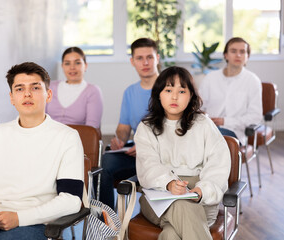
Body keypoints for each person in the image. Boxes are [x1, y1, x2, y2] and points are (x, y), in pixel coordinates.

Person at [0, 62, 84, 240]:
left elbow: (71, 200)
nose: (27, 94)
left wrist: (19, 218)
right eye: (20, 89)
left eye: (35, 87)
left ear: (49, 95)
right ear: (12, 97)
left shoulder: (67, 137)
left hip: (36, 221)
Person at [134, 66, 231, 240]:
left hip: (200, 196)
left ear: (191, 95)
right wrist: (169, 183)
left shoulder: (203, 124)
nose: (174, 97)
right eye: (168, 90)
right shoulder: (146, 128)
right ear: (158, 94)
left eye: (182, 91)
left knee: (171, 235)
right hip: (159, 197)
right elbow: (148, 165)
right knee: (181, 205)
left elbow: (219, 163)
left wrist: (201, 191)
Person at [99, 38, 160, 209]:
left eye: (149, 57)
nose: (145, 62)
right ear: (132, 62)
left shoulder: (169, 88)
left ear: (157, 58)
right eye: (139, 58)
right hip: (137, 153)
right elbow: (124, 129)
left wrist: (146, 147)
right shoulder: (130, 92)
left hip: (162, 156)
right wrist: (119, 140)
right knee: (104, 163)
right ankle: (107, 222)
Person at [199, 37, 262, 145]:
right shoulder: (210, 78)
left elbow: (255, 116)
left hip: (234, 134)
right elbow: (199, 106)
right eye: (233, 51)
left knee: (209, 139)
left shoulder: (252, 81)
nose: (238, 55)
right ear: (226, 55)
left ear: (247, 57)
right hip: (207, 128)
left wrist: (225, 121)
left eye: (242, 52)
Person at [46, 47, 103, 129]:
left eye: (77, 63)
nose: (72, 67)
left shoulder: (93, 91)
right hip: (49, 137)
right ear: (62, 66)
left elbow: (91, 129)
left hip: (78, 139)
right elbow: (40, 118)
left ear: (85, 66)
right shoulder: (50, 87)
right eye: (67, 63)